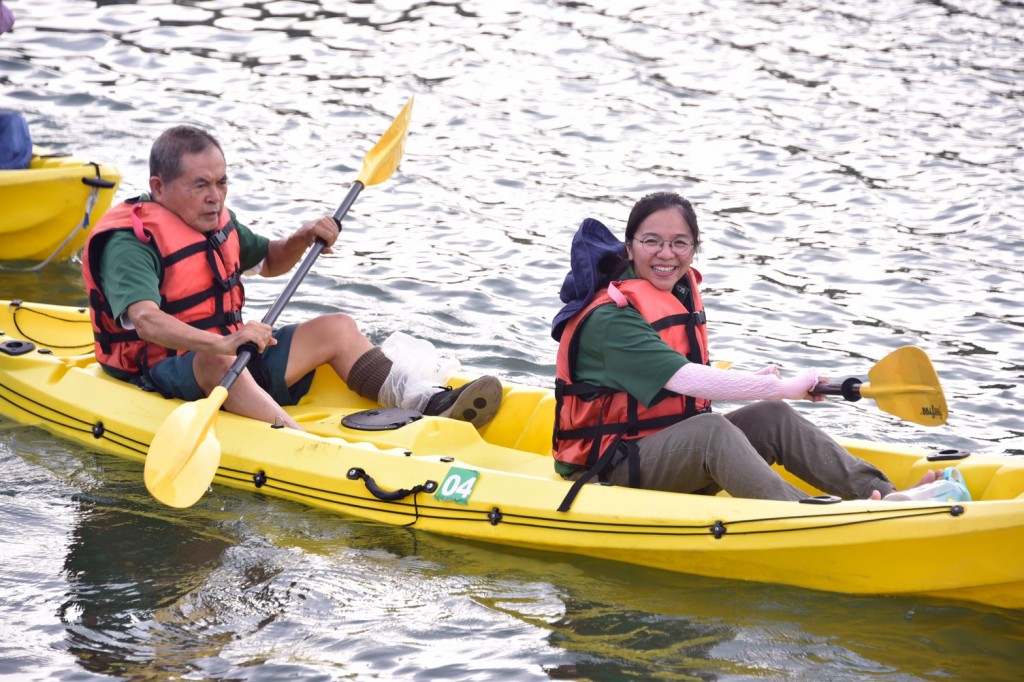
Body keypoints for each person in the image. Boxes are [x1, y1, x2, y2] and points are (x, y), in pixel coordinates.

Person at [550, 191, 955, 510]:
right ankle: (804, 516)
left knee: (772, 415)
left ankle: (884, 495)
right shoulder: (611, 320)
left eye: (680, 243)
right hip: (612, 468)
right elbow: (684, 378)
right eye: (652, 242)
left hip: (664, 450)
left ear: (694, 248)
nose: (666, 254)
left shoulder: (673, 292)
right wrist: (783, 386)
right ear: (630, 245)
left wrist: (772, 388)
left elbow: (689, 377)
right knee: (712, 431)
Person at [82, 125, 502, 430]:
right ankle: (297, 442)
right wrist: (223, 343)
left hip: (235, 355)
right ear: (159, 186)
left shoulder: (213, 220)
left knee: (336, 327)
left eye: (222, 181)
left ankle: (427, 400)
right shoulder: (130, 243)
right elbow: (147, 321)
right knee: (218, 359)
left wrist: (303, 237)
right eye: (200, 185)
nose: (216, 195)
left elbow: (270, 260)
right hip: (159, 371)